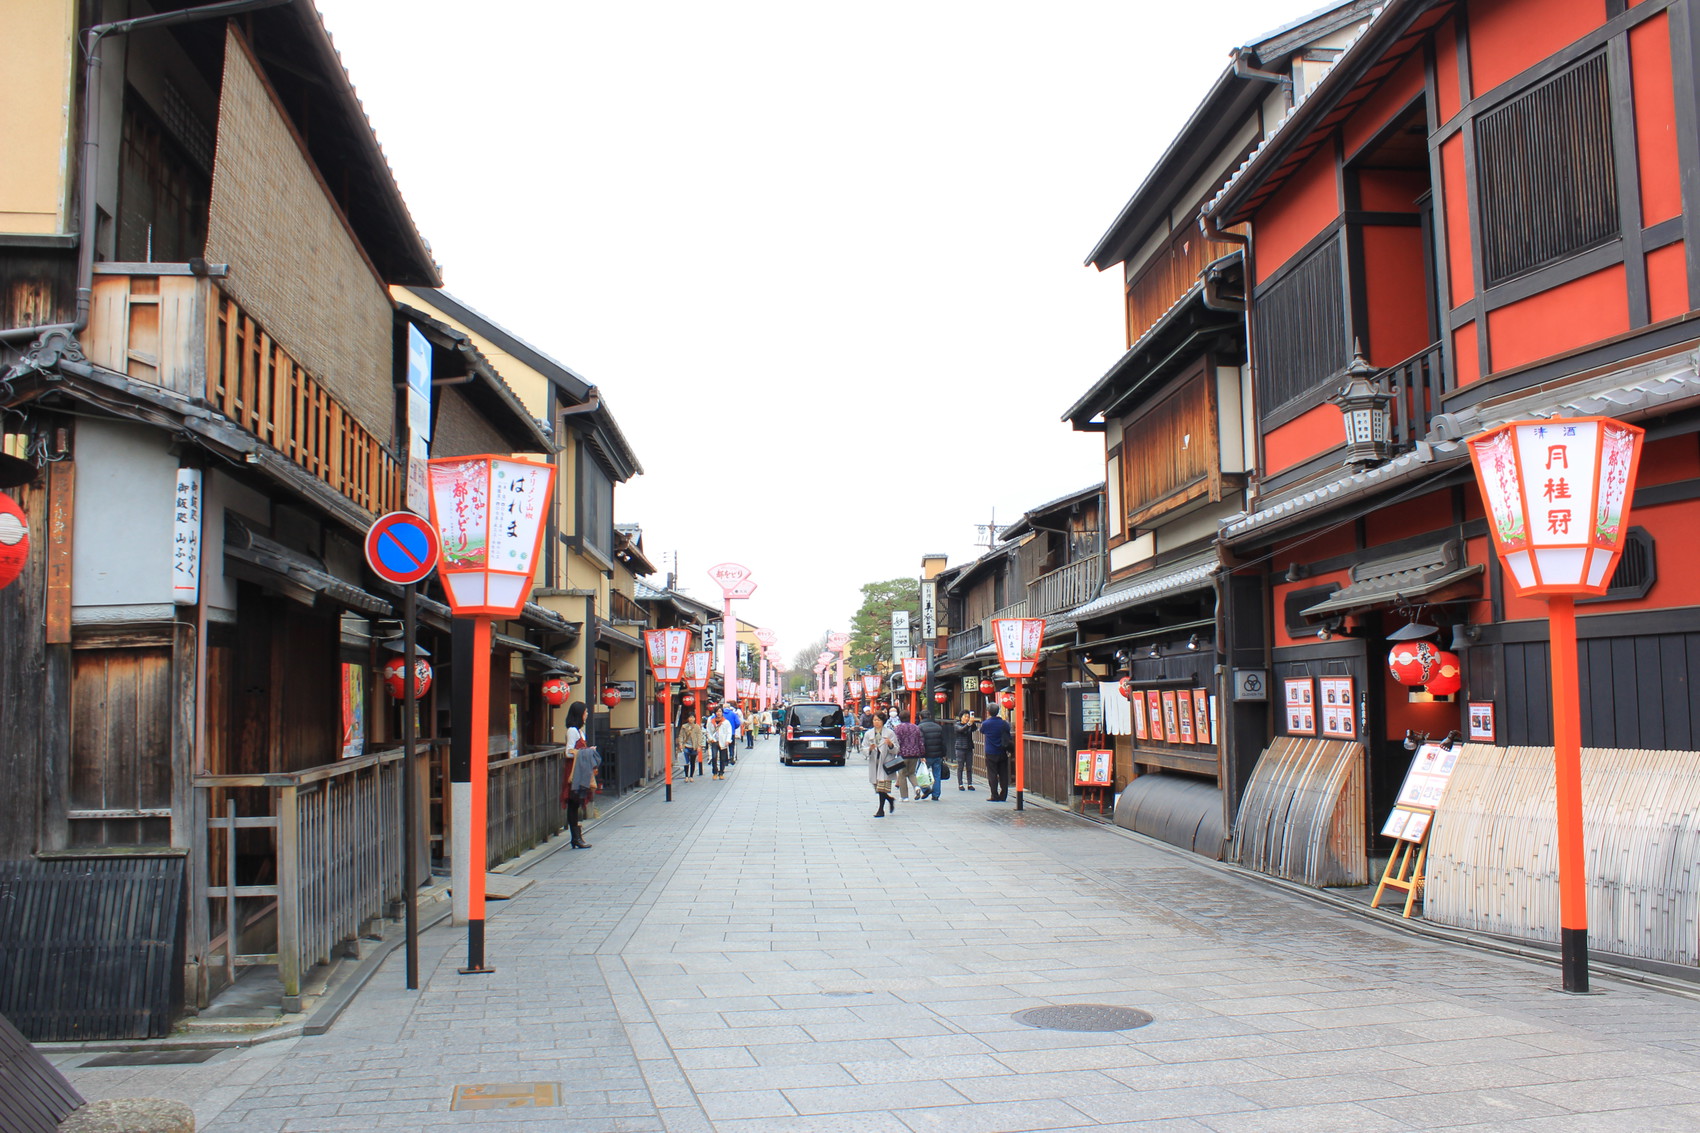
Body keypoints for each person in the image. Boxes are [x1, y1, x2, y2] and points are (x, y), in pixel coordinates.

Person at [558, 702, 600, 848]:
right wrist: (586, 752)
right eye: (585, 712)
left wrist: (588, 750)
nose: (587, 714)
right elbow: (568, 752)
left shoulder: (580, 731)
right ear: (579, 714)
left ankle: (576, 837)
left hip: (581, 771)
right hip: (574, 771)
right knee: (573, 802)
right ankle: (575, 837)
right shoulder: (572, 731)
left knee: (575, 803)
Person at [868, 711, 898, 817]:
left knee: (881, 787)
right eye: (874, 720)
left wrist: (890, 745)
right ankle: (890, 799)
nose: (876, 722)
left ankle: (881, 810)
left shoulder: (890, 733)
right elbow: (864, 747)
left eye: (878, 720)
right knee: (878, 787)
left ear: (883, 721)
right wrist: (869, 749)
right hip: (874, 763)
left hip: (885, 763)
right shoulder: (869, 733)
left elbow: (895, 750)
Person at [981, 706, 1012, 802]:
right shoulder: (1004, 723)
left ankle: (994, 795)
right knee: (1003, 774)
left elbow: (982, 731)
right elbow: (1008, 732)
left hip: (990, 751)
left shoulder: (986, 723)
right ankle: (1004, 795)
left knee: (992, 774)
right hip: (1002, 751)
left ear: (988, 712)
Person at [917, 712, 948, 801]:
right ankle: (936, 794)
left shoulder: (920, 727)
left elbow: (921, 743)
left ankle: (926, 789)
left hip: (926, 755)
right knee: (937, 774)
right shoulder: (938, 727)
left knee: (920, 773)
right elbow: (943, 742)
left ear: (920, 717)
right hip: (938, 755)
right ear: (930, 716)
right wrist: (943, 754)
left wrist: (921, 755)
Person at [892, 715, 924, 800]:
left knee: (902, 775)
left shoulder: (898, 728)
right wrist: (922, 754)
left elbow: (897, 741)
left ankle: (904, 796)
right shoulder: (916, 727)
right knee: (912, 773)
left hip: (902, 754)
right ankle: (916, 786)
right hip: (914, 754)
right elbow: (920, 741)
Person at [953, 710, 978, 792]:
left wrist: (972, 722)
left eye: (968, 717)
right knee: (960, 766)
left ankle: (970, 784)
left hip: (969, 747)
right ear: (961, 717)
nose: (966, 718)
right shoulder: (957, 724)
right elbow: (961, 730)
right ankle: (960, 784)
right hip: (960, 747)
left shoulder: (970, 725)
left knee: (969, 766)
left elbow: (975, 728)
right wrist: (968, 724)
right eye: (965, 717)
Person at [709, 709, 733, 779]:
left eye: (720, 711)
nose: (718, 713)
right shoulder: (711, 722)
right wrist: (711, 739)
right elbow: (708, 731)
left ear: (722, 713)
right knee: (714, 757)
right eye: (717, 711)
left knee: (723, 758)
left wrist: (728, 740)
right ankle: (715, 772)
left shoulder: (726, 722)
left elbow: (729, 732)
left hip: (723, 741)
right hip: (715, 741)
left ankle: (721, 772)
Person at [678, 716, 703, 780]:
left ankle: (691, 776)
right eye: (690, 717)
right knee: (686, 761)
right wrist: (680, 743)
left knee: (692, 761)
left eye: (693, 717)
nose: (691, 719)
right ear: (688, 718)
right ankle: (686, 776)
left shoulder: (697, 727)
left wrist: (699, 745)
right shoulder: (684, 726)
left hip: (694, 746)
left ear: (695, 718)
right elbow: (681, 735)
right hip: (686, 745)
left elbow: (699, 736)